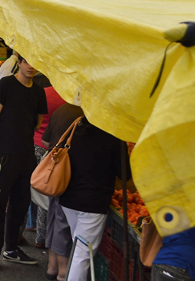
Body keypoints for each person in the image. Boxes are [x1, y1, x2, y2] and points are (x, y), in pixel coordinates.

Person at [0, 56, 48, 280]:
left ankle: (11, 248)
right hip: (3, 155)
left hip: (26, 155)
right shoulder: (6, 84)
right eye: (27, 61)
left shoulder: (38, 92)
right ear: (19, 61)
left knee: (21, 203)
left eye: (35, 62)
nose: (30, 66)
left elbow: (38, 123)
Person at [59, 118, 130, 281]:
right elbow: (125, 174)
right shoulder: (114, 137)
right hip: (93, 202)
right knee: (82, 254)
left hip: (68, 197)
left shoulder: (75, 128)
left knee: (78, 248)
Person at [41, 103, 85, 281]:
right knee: (62, 223)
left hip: (56, 173)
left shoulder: (62, 110)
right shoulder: (84, 118)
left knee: (54, 217)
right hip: (70, 175)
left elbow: (45, 141)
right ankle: (62, 271)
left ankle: (52, 267)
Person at [28, 85, 68, 249]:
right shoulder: (67, 100)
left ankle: (23, 228)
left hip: (32, 143)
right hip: (50, 150)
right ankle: (41, 237)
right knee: (44, 192)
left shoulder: (43, 93)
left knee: (25, 189)